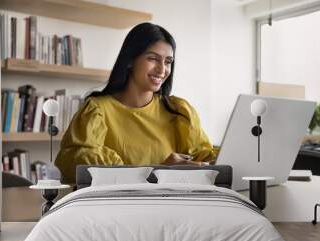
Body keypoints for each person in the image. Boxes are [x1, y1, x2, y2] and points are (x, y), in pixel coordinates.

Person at [55, 22, 219, 183]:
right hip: (118, 208)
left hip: (173, 206)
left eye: (168, 61)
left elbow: (205, 157)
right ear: (130, 60)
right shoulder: (96, 111)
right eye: (153, 59)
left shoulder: (179, 111)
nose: (162, 70)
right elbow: (80, 168)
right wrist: (158, 172)